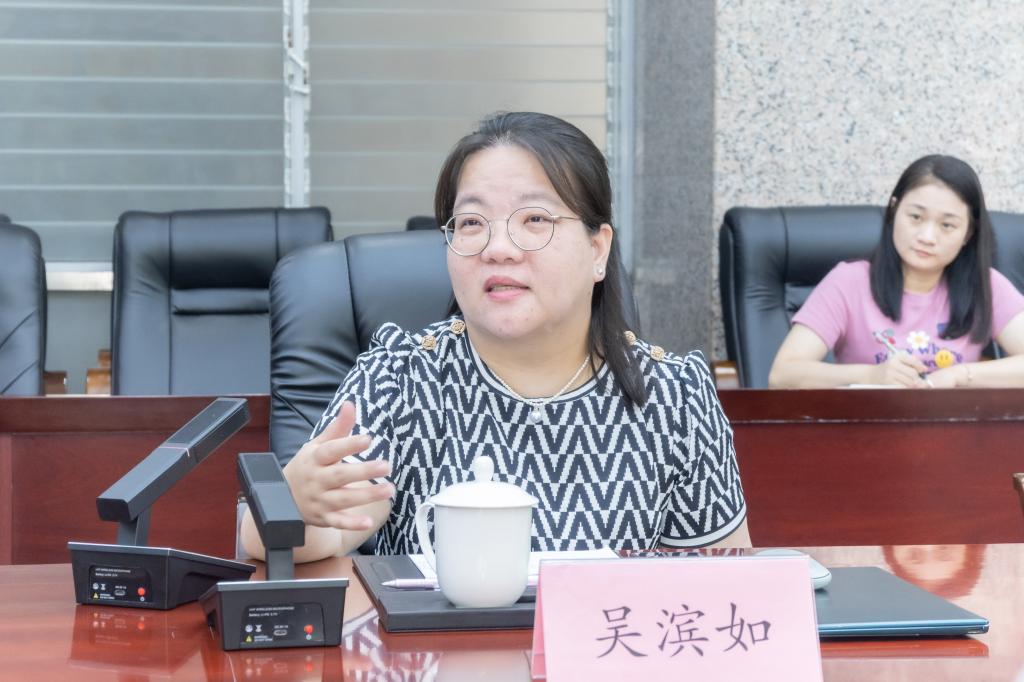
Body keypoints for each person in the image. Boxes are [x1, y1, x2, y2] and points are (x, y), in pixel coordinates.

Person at [242, 111, 749, 562]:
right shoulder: (399, 381)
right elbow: (301, 536)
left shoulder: (675, 397)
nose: (498, 247)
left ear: (598, 250)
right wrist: (290, 506)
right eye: (471, 222)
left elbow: (724, 589)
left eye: (535, 219)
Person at [769, 155, 1024, 389]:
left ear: (968, 233)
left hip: (952, 423)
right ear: (893, 210)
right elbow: (782, 375)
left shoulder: (985, 285)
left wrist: (959, 375)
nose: (927, 237)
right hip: (866, 422)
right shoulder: (849, 282)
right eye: (916, 217)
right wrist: (870, 375)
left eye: (947, 225)